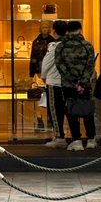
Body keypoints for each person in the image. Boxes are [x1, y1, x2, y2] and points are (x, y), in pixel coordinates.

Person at [54, 20, 96, 150]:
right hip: (85, 85)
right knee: (87, 111)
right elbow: (90, 66)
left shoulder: (61, 46)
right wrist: (82, 82)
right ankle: (91, 139)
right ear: (80, 29)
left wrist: (73, 82)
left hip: (68, 85)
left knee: (71, 111)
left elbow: (60, 66)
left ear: (67, 31)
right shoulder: (87, 46)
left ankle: (76, 140)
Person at [40, 20, 68, 148]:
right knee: (66, 109)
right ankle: (73, 137)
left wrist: (43, 77)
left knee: (55, 111)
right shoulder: (70, 45)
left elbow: (46, 64)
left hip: (54, 81)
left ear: (54, 31)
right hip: (67, 82)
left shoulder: (54, 46)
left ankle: (59, 136)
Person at [29, 21, 55, 131]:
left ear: (49, 29)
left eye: (47, 27)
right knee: (38, 96)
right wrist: (31, 73)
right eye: (43, 27)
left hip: (50, 73)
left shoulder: (53, 41)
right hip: (39, 73)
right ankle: (39, 119)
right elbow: (33, 57)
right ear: (40, 28)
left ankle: (50, 119)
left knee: (50, 96)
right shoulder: (36, 41)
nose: (45, 29)